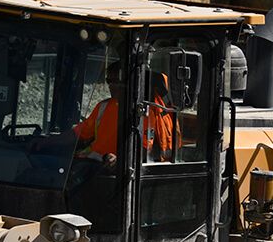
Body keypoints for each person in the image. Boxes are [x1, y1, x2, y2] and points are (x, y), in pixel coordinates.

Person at [32, 61, 175, 169]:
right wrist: (46, 142)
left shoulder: (145, 111)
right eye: (109, 81)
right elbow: (77, 134)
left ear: (130, 82)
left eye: (116, 81)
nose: (111, 86)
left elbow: (144, 150)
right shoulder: (104, 106)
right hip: (89, 167)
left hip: (115, 173)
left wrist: (119, 160)